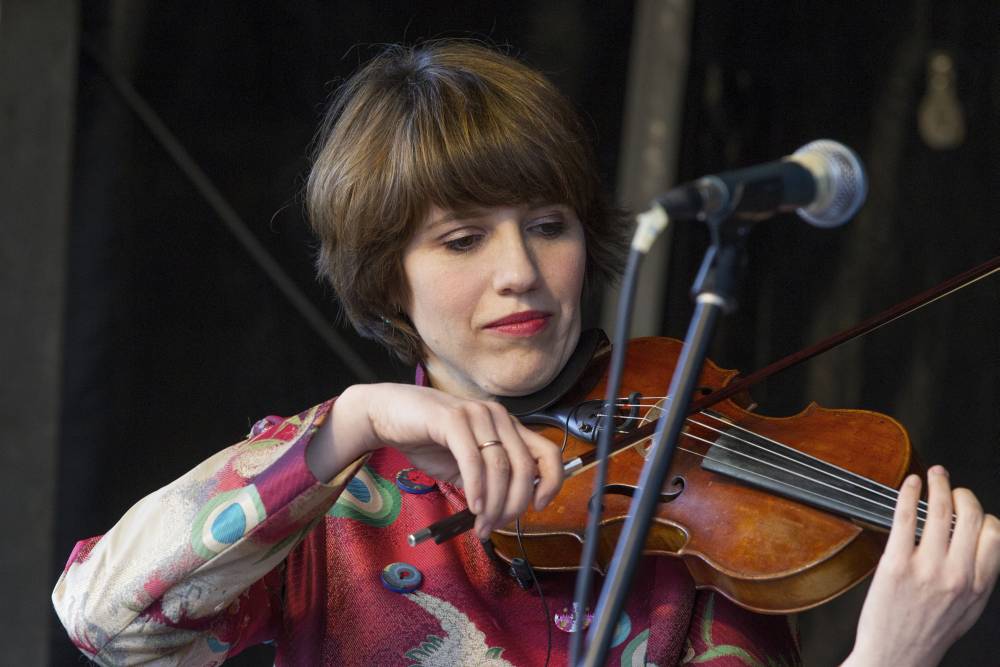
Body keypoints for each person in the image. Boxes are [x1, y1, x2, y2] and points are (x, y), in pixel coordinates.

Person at [53, 41, 999, 666]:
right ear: (387, 277)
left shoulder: (709, 517)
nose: (522, 273)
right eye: (462, 239)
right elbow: (102, 617)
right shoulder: (333, 498)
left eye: (548, 225)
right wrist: (356, 419)